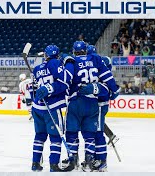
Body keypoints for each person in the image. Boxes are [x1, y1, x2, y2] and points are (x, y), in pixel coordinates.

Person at [64, 41, 119, 172]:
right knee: (92, 134)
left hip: (89, 102)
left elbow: (66, 81)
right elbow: (108, 81)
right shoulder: (98, 60)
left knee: (92, 133)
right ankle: (91, 159)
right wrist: (113, 90)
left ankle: (96, 160)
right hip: (95, 103)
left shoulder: (74, 62)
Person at [31, 45, 69, 172]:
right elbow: (64, 83)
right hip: (51, 108)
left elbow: (33, 90)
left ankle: (35, 164)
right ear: (57, 55)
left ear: (45, 55)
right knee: (56, 137)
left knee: (39, 136)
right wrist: (49, 89)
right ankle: (54, 165)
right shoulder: (55, 63)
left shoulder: (36, 69)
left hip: (37, 107)